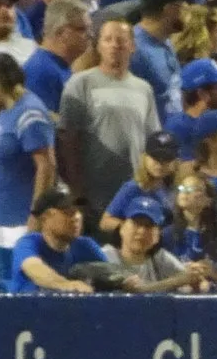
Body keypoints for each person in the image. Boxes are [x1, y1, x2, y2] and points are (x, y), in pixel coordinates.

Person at [58, 18, 161, 219]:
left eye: (121, 40)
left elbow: (152, 140)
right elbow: (68, 139)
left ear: (132, 46)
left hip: (133, 194)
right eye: (108, 39)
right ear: (98, 45)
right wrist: (76, 189)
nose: (114, 45)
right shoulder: (80, 84)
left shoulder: (144, 89)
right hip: (93, 195)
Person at [8, 187, 106, 293]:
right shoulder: (28, 243)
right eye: (68, 212)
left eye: (78, 211)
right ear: (45, 217)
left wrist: (123, 282)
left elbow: (110, 274)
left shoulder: (86, 245)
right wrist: (65, 284)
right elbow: (34, 267)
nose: (76, 217)